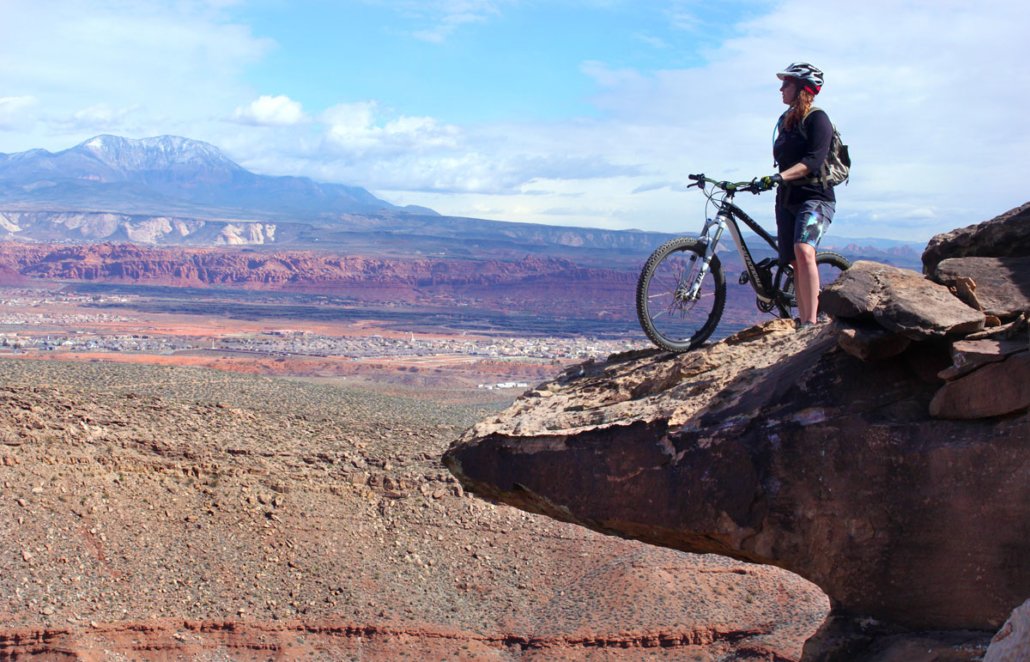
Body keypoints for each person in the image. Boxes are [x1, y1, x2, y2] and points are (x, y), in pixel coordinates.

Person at [754, 62, 836, 328]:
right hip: (787, 199)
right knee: (792, 261)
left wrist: (781, 176)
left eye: (786, 84)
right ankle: (803, 320)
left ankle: (810, 322)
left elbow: (813, 160)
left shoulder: (818, 119)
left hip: (815, 197)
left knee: (804, 250)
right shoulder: (785, 121)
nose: (781, 89)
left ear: (802, 88)